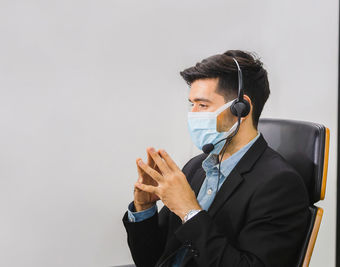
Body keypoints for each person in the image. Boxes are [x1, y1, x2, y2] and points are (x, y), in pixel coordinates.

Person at [122, 50, 309, 267]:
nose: (192, 114)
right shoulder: (196, 168)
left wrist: (189, 211)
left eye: (202, 105)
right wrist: (144, 209)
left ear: (242, 108)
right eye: (191, 104)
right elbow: (152, 259)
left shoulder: (280, 185)